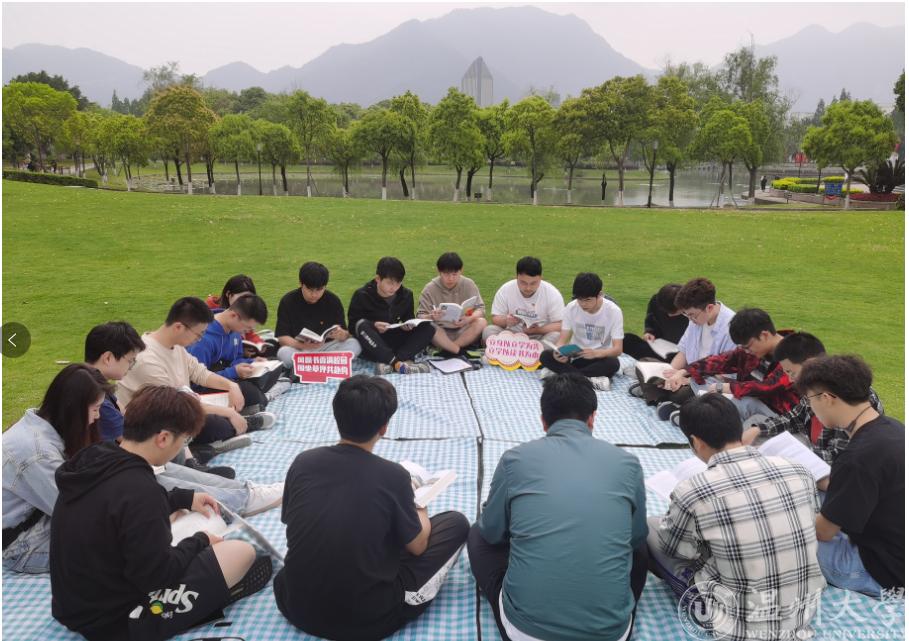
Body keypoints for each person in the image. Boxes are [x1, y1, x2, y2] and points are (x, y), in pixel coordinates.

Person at [50, 386, 273, 641]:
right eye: (184, 440)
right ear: (164, 438)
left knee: (181, 523)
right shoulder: (140, 490)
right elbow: (158, 575)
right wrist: (200, 540)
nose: (182, 447)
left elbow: (115, 509)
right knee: (242, 552)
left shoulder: (94, 458)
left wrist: (182, 499)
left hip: (72, 605)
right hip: (116, 622)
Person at [274, 375, 469, 640]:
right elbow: (418, 546)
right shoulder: (393, 476)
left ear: (337, 416)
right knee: (455, 524)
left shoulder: (303, 462)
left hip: (294, 603)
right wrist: (419, 506)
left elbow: (295, 521)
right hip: (367, 619)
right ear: (384, 427)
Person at [468, 372, 648, 641]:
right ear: (592, 418)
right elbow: (635, 538)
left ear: (543, 421)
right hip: (610, 632)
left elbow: (492, 533)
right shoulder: (628, 464)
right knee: (640, 547)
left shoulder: (515, 460)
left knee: (477, 534)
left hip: (526, 631)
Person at [647, 394, 825, 641]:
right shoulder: (799, 470)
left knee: (650, 528)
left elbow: (674, 549)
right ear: (738, 428)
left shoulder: (693, 491)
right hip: (802, 612)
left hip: (737, 623)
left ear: (696, 442)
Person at [85, 321, 283, 517]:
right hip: (119, 470)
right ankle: (241, 498)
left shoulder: (98, 386)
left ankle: (243, 491)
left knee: (170, 470)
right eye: (130, 361)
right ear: (108, 358)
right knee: (168, 474)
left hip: (124, 463)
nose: (131, 366)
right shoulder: (94, 394)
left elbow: (126, 420)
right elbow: (130, 439)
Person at [799, 355, 904, 597]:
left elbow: (823, 532)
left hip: (881, 572)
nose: (811, 408)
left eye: (809, 400)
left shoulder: (857, 458)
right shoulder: (894, 428)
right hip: (897, 548)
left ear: (827, 398)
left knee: (785, 536)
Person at [117, 297, 274, 449]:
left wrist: (231, 385)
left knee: (241, 394)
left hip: (181, 404)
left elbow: (200, 373)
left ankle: (230, 427)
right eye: (199, 334)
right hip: (155, 422)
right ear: (179, 327)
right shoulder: (147, 359)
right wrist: (226, 412)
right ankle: (235, 428)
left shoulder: (175, 346)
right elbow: (174, 405)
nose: (199, 339)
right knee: (213, 424)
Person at [3, 364, 110, 574]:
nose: (97, 417)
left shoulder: (42, 425)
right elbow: (78, 511)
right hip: (21, 545)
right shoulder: (38, 454)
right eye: (95, 409)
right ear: (73, 410)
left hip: (41, 519)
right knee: (118, 548)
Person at [741, 332, 884, 477]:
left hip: (832, 473)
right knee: (756, 431)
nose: (790, 380)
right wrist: (758, 429)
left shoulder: (849, 401)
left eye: (791, 372)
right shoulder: (815, 387)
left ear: (810, 363)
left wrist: (784, 456)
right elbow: (795, 417)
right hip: (814, 450)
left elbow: (836, 459)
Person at [673, 308, 800, 425]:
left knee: (741, 402)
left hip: (777, 415)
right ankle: (704, 415)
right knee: (700, 380)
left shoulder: (793, 355)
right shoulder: (751, 350)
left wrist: (727, 387)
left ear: (764, 335)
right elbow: (722, 360)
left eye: (748, 346)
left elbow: (767, 387)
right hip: (746, 400)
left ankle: (702, 418)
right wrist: (684, 371)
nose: (747, 351)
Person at [188, 294, 286, 412]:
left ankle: (260, 396)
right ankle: (264, 397)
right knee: (249, 392)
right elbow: (197, 381)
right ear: (234, 316)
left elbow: (235, 359)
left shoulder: (233, 330)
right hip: (206, 386)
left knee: (273, 362)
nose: (247, 332)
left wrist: (251, 362)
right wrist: (234, 372)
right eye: (246, 328)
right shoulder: (203, 338)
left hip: (230, 377)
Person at [656, 277, 736, 419]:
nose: (690, 320)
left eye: (692, 315)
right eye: (686, 315)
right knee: (657, 376)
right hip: (690, 374)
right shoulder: (696, 318)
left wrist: (687, 379)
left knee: (681, 394)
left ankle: (669, 403)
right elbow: (683, 351)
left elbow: (727, 377)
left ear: (709, 308)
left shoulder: (731, 328)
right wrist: (669, 374)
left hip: (711, 384)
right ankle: (667, 400)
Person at [348, 257, 436, 375]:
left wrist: (408, 325)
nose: (394, 288)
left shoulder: (406, 295)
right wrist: (374, 325)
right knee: (362, 324)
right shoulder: (362, 295)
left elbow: (408, 319)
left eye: (398, 283)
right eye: (390, 283)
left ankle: (394, 363)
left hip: (395, 340)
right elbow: (353, 327)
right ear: (378, 279)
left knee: (429, 327)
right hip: (373, 344)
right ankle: (399, 363)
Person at [539, 272, 623, 390]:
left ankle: (564, 376)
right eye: (579, 299)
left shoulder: (614, 311)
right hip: (575, 356)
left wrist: (595, 353)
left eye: (588, 300)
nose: (583, 304)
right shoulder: (571, 308)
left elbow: (618, 349)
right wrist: (558, 353)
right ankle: (586, 379)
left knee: (613, 363)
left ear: (600, 295)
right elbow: (562, 340)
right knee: (545, 356)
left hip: (599, 357)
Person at [274, 261, 361, 369]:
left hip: (327, 349)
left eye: (319, 290)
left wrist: (343, 335)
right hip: (301, 350)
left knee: (354, 344)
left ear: (325, 286)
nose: (314, 295)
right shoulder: (288, 301)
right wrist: (303, 345)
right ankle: (326, 366)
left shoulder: (333, 301)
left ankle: (310, 366)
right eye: (310, 290)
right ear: (301, 283)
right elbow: (282, 337)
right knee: (283, 353)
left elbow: (345, 334)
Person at [417, 252, 488, 358]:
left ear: (461, 271)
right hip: (441, 333)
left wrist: (469, 318)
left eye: (454, 274)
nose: (450, 278)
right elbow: (420, 316)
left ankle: (450, 349)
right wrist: (431, 316)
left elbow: (481, 309)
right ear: (439, 271)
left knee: (481, 322)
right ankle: (458, 351)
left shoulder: (468, 284)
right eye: (446, 274)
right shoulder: (429, 289)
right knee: (429, 326)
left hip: (463, 330)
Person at [483, 256, 564, 345]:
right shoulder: (506, 289)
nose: (528, 288)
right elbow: (495, 318)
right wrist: (506, 321)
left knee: (556, 336)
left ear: (541, 278)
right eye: (523, 283)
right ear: (516, 277)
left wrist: (537, 330)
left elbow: (560, 324)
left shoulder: (552, 293)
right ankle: (530, 351)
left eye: (533, 283)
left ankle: (530, 351)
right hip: (511, 336)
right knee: (489, 330)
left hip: (539, 336)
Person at [205, 274, 274, 357]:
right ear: (229, 294)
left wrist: (258, 344)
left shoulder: (243, 317)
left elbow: (250, 334)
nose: (246, 302)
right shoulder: (210, 323)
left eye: (249, 298)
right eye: (242, 297)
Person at [623, 283, 688, 362]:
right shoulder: (656, 300)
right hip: (659, 345)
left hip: (680, 352)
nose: (669, 315)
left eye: (673, 312)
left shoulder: (691, 313)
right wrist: (649, 332)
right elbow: (651, 317)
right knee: (627, 339)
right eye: (666, 311)